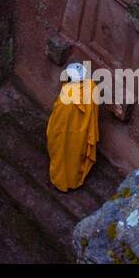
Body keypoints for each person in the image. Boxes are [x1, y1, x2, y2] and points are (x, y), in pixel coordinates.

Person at [46, 61, 99, 192]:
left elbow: (57, 120)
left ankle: (60, 183)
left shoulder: (66, 96)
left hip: (64, 133)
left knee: (62, 155)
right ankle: (74, 181)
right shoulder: (92, 87)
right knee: (75, 157)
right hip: (82, 133)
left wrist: (52, 133)